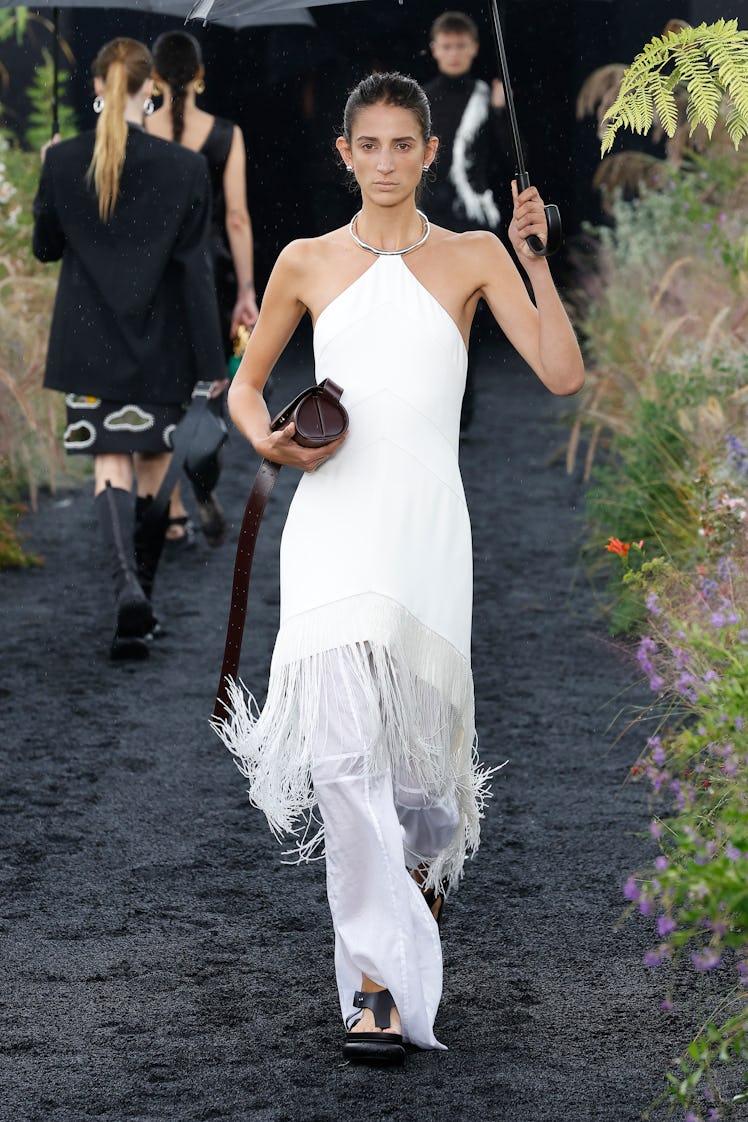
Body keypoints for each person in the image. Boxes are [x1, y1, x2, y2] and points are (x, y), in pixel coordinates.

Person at [216, 72, 584, 1061]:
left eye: (400, 146)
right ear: (345, 153)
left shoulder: (472, 256)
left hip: (427, 530)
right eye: (366, 146)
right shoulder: (303, 261)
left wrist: (533, 260)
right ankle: (374, 985)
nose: (384, 163)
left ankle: (412, 889)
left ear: (429, 153)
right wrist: (269, 444)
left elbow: (560, 371)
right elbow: (245, 395)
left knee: (419, 786)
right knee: (342, 760)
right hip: (333, 523)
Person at [33, 37, 225, 660]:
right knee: (150, 469)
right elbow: (194, 272)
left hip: (90, 344)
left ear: (97, 87)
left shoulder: (63, 161)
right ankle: (141, 600)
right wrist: (209, 366)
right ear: (154, 91)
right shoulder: (185, 168)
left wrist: (49, 175)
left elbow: (45, 247)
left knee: (108, 465)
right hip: (163, 344)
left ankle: (125, 593)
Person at [146, 30, 259, 549]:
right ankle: (201, 478)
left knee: (157, 390)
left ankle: (169, 507)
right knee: (207, 391)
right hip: (209, 278)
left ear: (153, 79)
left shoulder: (134, 131)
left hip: (148, 278)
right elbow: (235, 218)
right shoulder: (225, 134)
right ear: (199, 75)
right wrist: (247, 291)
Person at [424, 10, 510, 433]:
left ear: (473, 49)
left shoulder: (486, 95)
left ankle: (461, 409)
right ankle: (430, 404)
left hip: (472, 221)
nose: (454, 53)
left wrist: (498, 112)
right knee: (428, 316)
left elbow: (511, 157)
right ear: (434, 49)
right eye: (447, 45)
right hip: (428, 219)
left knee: (465, 318)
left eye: (462, 46)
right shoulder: (420, 97)